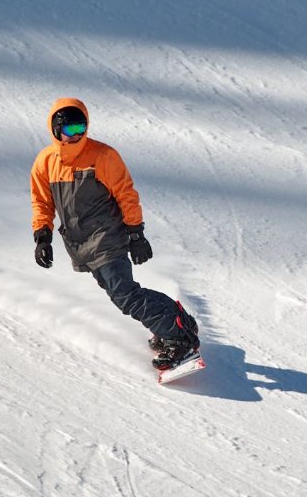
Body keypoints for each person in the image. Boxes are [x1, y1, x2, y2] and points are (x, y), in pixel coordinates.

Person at [29, 98, 200, 370]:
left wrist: (136, 234)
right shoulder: (45, 162)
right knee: (121, 293)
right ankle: (176, 319)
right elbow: (42, 202)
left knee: (124, 295)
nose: (76, 136)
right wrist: (42, 236)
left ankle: (177, 337)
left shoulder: (103, 155)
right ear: (55, 129)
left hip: (108, 235)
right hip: (80, 242)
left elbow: (125, 194)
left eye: (81, 128)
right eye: (69, 130)